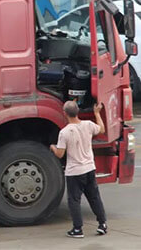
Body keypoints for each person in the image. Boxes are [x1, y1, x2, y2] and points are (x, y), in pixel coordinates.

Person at [50, 100, 107, 238]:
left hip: (74, 172)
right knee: (94, 197)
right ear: (77, 112)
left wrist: (52, 147)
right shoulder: (88, 125)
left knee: (74, 200)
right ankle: (102, 224)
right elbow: (102, 129)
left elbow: (60, 154)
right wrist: (97, 113)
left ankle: (77, 229)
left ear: (65, 114)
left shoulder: (64, 132)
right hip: (89, 168)